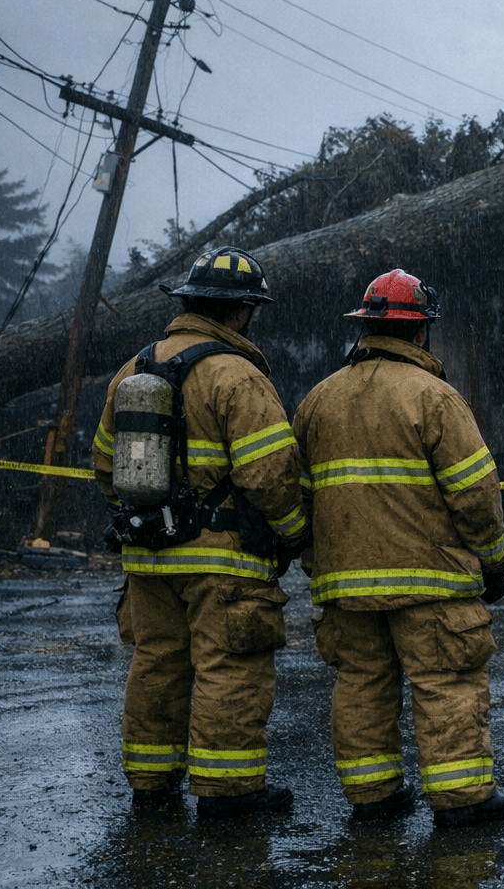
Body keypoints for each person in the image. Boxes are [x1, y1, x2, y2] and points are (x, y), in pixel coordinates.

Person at [294, 268, 504, 827]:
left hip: (344, 585)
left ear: (366, 328)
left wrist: (314, 563)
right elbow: (476, 497)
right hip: (433, 586)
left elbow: (300, 499)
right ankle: (461, 801)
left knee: (361, 687)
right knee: (446, 684)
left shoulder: (317, 401)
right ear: (421, 332)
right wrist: (494, 563)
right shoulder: (436, 398)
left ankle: (373, 799)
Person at [92, 246, 307, 818]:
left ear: (187, 302)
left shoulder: (132, 370)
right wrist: (292, 535)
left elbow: (103, 465)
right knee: (228, 665)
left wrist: (141, 522)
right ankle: (228, 792)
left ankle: (151, 785)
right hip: (222, 562)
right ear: (241, 314)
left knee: (157, 662)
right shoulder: (237, 376)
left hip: (147, 558)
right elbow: (271, 475)